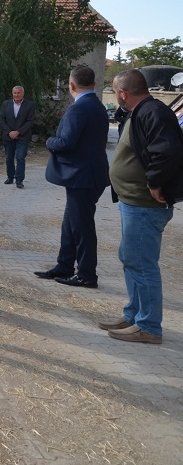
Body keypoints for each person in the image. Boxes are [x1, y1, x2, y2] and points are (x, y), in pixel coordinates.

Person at [99, 69, 183, 344]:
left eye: (115, 91)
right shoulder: (141, 111)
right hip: (133, 202)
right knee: (131, 258)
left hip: (145, 205)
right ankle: (135, 315)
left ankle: (148, 326)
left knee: (142, 263)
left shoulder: (153, 112)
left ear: (123, 94)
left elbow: (167, 152)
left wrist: (155, 183)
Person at [34, 65, 110, 288]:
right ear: (94, 84)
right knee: (70, 225)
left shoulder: (79, 108)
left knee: (82, 227)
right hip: (89, 176)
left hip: (82, 177)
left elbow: (66, 142)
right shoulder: (97, 105)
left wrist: (49, 141)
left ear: (71, 85)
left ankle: (87, 274)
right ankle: (64, 266)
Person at [0, 85, 36, 189]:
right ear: (12, 93)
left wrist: (18, 132)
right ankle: (10, 177)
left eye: (18, 93)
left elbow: (30, 121)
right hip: (8, 136)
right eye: (14, 93)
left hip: (23, 136)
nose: (16, 95)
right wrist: (9, 132)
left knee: (20, 157)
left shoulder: (30, 105)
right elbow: (2, 119)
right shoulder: (6, 104)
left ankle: (19, 180)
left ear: (22, 94)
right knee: (9, 158)